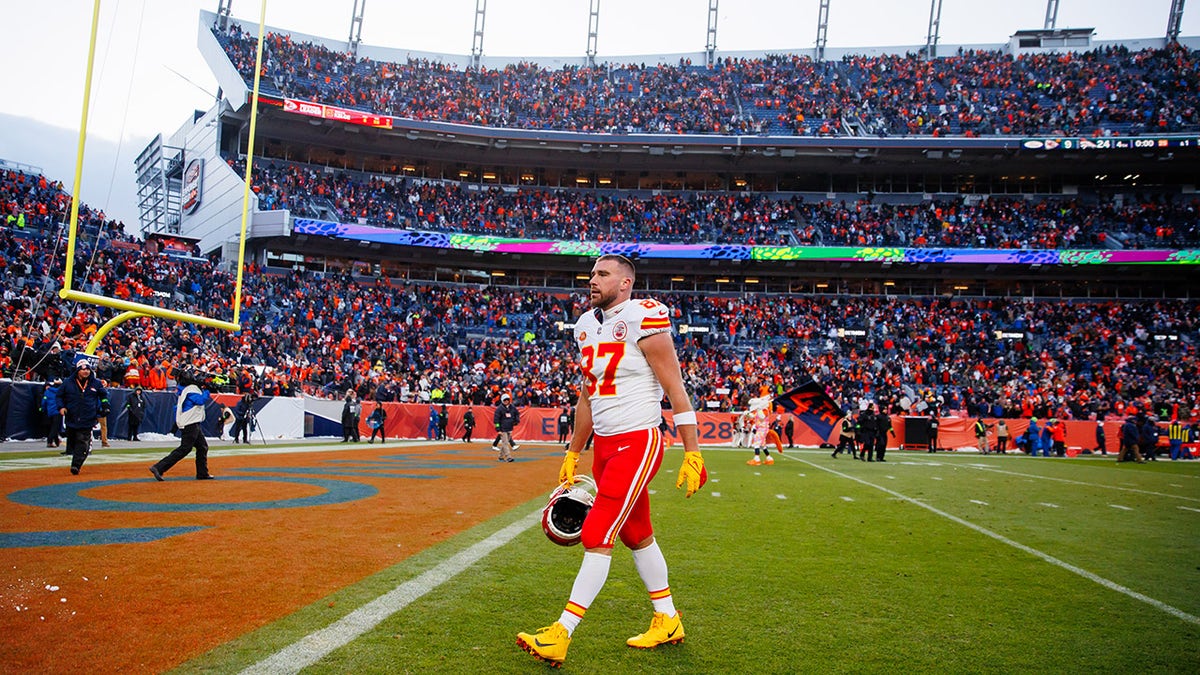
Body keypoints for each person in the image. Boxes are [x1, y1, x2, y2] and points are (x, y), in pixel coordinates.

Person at [517, 253, 706, 667]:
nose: (593, 280)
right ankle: (668, 619)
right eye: (591, 274)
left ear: (625, 283)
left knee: (597, 531)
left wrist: (693, 451)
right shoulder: (585, 325)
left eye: (602, 274)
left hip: (638, 439)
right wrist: (573, 450)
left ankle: (561, 632)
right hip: (604, 445)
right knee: (636, 534)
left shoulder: (645, 315)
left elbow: (676, 388)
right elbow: (588, 395)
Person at [150, 369, 215, 481]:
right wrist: (207, 390)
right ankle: (159, 467)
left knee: (202, 447)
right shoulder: (191, 390)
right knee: (185, 448)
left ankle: (202, 473)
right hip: (190, 422)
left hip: (192, 421)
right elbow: (200, 400)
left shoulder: (185, 389)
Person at [56, 360, 109, 475]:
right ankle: (75, 454)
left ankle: (76, 465)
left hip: (88, 416)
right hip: (72, 415)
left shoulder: (96, 383)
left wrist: (105, 405)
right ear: (77, 370)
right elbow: (59, 396)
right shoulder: (68, 382)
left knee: (82, 441)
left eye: (87, 369)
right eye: (83, 369)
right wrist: (61, 407)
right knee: (73, 440)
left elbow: (103, 395)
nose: (86, 371)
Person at [494, 393, 519, 462]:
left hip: (510, 428)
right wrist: (498, 429)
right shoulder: (499, 409)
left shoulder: (512, 407)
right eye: (505, 400)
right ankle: (508, 457)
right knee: (505, 443)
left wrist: (516, 421)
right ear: (502, 400)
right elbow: (496, 420)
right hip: (502, 429)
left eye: (507, 400)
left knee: (505, 443)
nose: (506, 401)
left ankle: (500, 456)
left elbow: (516, 413)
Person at [41, 378, 63, 449]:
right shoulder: (61, 391)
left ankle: (56, 441)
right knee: (55, 427)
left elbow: (44, 401)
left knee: (53, 426)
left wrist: (44, 409)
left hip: (50, 411)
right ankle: (50, 441)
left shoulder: (48, 391)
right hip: (58, 410)